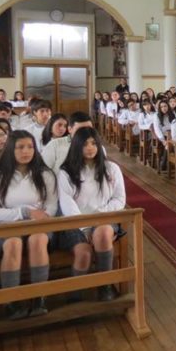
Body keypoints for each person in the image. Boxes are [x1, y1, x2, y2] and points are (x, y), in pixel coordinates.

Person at [0, 130, 57, 319]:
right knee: (13, 242)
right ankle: (11, 300)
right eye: (20, 147)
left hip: (38, 227)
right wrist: (25, 212)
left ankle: (38, 296)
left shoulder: (45, 174)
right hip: (6, 227)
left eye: (30, 147)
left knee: (38, 240)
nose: (26, 151)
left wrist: (39, 218)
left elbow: (50, 207)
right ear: (10, 150)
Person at [58, 127, 126, 301]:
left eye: (94, 143)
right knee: (84, 254)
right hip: (75, 223)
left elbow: (119, 199)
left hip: (103, 219)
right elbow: (67, 203)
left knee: (103, 233)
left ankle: (106, 286)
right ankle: (76, 294)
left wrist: (98, 216)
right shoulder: (66, 172)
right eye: (85, 144)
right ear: (76, 146)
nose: (90, 148)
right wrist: (84, 227)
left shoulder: (111, 169)